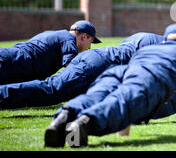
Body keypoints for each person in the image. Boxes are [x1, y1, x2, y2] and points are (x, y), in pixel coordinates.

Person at [44, 23, 176, 148]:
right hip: (147, 78)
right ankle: (85, 123)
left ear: (165, 40)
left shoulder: (148, 48)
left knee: (95, 96)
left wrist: (124, 136)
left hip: (118, 72)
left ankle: (65, 114)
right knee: (120, 103)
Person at [0, 32, 163, 109]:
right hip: (97, 65)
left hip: (94, 59)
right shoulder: (164, 48)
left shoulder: (144, 36)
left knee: (55, 88)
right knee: (52, 89)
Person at [0, 20, 100, 85]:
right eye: (90, 42)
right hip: (11, 64)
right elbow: (73, 69)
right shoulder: (69, 40)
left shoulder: (56, 34)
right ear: (84, 36)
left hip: (9, 58)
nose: (89, 47)